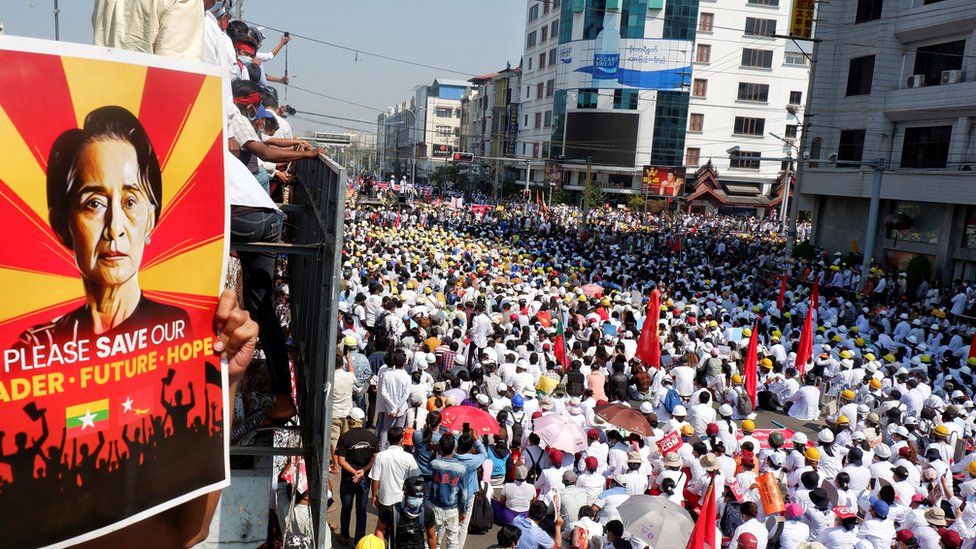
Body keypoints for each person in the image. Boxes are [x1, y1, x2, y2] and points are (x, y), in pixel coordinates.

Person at [24, 106, 190, 348]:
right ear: (61, 225)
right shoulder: (40, 347)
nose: (114, 227)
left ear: (151, 220)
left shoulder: (177, 330)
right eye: (94, 203)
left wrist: (230, 374)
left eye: (130, 201)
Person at [335, 407, 378, 545]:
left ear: (351, 421)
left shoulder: (344, 437)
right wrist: (363, 471)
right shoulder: (372, 436)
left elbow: (341, 461)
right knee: (362, 510)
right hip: (364, 480)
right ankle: (359, 540)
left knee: (346, 508)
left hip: (349, 479)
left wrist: (355, 472)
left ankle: (345, 536)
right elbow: (375, 458)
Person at [374, 476, 437, 549]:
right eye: (414, 497)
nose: (417, 500)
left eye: (420, 497)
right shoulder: (391, 512)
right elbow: (379, 530)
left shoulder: (427, 513)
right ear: (406, 494)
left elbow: (432, 536)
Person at [369, 426, 420, 515]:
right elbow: (415, 477)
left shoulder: (381, 456)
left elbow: (375, 479)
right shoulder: (408, 457)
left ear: (388, 439)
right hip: (401, 500)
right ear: (401, 440)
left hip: (384, 499)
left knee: (381, 526)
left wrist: (374, 496)